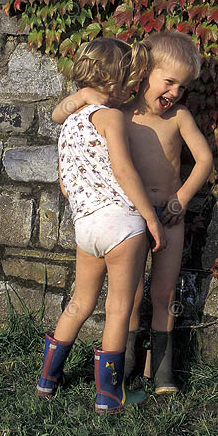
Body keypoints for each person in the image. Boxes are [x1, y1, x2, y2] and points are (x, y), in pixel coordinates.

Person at [52, 30, 213, 395]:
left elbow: (204, 160)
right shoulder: (117, 113)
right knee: (131, 294)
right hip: (131, 216)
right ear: (144, 74)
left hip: (170, 215)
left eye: (182, 87)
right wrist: (80, 96)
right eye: (169, 82)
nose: (175, 93)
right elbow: (67, 125)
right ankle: (122, 363)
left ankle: (162, 369)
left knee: (164, 293)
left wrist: (182, 198)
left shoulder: (180, 117)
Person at [37, 37, 167, 414]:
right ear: (114, 79)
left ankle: (48, 379)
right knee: (118, 309)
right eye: (131, 80)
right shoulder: (110, 118)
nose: (134, 88)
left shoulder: (70, 125)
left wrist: (77, 98)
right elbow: (124, 172)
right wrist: (150, 216)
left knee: (79, 302)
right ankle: (110, 395)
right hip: (121, 224)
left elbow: (65, 182)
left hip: (86, 226)